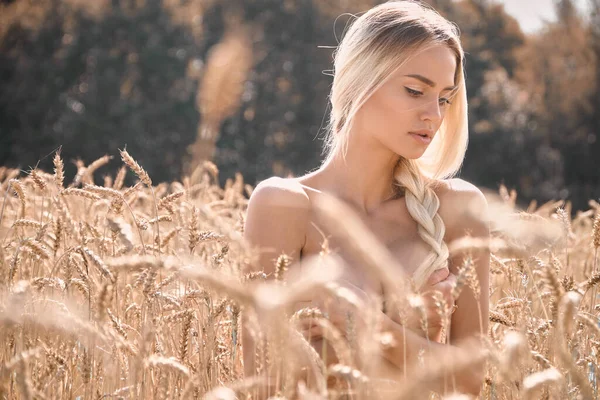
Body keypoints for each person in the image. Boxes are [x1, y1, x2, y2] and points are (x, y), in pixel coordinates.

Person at [242, 0, 490, 397]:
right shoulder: (284, 207)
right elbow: (264, 385)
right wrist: (413, 331)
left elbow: (472, 381)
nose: (434, 115)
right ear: (359, 81)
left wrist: (370, 324)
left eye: (444, 98)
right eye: (415, 91)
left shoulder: (459, 210)